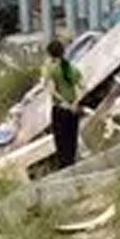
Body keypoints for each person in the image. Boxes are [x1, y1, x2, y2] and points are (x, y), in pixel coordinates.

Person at [43, 39, 83, 170]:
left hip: (60, 110)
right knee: (72, 141)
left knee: (61, 144)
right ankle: (72, 167)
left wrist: (64, 103)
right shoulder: (71, 68)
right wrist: (75, 103)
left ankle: (65, 169)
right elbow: (83, 87)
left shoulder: (50, 69)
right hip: (74, 110)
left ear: (49, 54)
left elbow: (52, 90)